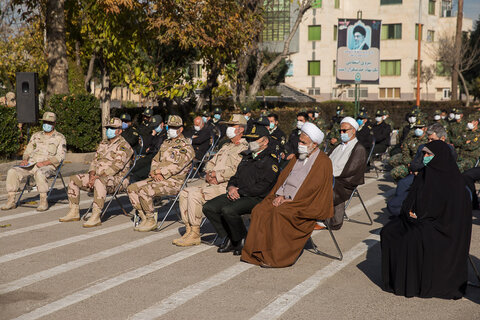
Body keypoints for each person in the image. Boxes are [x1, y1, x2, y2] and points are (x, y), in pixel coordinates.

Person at [381, 140, 472, 299]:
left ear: (440, 156)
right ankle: (398, 281)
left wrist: (421, 217)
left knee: (412, 238)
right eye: (424, 153)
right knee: (389, 231)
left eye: (429, 154)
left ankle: (413, 284)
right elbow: (410, 199)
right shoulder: (424, 174)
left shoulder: (455, 182)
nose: (425, 157)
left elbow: (451, 216)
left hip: (443, 229)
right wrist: (410, 212)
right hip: (420, 220)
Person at [241, 123, 333, 268]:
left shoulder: (323, 162)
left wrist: (288, 199)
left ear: (314, 144)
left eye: (303, 142)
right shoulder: (297, 157)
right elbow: (283, 179)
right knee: (260, 210)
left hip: (303, 202)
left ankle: (276, 257)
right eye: (299, 141)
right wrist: (280, 195)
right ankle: (256, 252)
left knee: (279, 213)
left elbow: (312, 189)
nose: (299, 145)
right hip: (283, 196)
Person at [202, 124, 279, 255]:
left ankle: (242, 239)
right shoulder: (247, 156)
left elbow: (264, 186)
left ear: (265, 141)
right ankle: (232, 237)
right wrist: (231, 187)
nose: (250, 143)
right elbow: (235, 176)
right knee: (209, 207)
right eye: (248, 140)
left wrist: (240, 191)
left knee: (228, 210)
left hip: (256, 197)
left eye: (254, 140)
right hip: (238, 193)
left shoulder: (270, 160)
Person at [173, 114, 249, 247]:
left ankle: (196, 233)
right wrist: (209, 173)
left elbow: (237, 170)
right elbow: (210, 162)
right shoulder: (226, 146)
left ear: (240, 129)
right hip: (211, 182)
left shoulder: (244, 148)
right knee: (185, 192)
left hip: (226, 185)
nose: (228, 128)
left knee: (195, 195)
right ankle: (190, 229)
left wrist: (217, 175)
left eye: (232, 126)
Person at [59, 117, 133, 226]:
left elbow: (116, 167)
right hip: (97, 177)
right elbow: (94, 161)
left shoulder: (124, 146)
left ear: (119, 131)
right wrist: (92, 175)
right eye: (108, 128)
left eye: (112, 128)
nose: (109, 130)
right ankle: (74, 212)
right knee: (74, 179)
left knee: (100, 181)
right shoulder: (103, 143)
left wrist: (98, 177)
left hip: (117, 180)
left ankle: (96, 215)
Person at [127, 115, 194, 232]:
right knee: (131, 188)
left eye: (174, 127)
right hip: (157, 178)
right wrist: (153, 172)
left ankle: (151, 219)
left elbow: (177, 166)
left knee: (144, 190)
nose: (171, 129)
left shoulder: (186, 147)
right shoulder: (166, 143)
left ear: (181, 129)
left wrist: (160, 172)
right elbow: (156, 159)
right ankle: (144, 217)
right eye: (170, 126)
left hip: (173, 182)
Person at [2, 112, 66, 211]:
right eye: (45, 122)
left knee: (40, 173)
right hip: (31, 164)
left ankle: (43, 200)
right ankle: (11, 200)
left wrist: (45, 163)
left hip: (49, 166)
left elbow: (60, 157)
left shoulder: (60, 137)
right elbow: (28, 151)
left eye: (49, 122)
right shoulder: (36, 135)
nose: (47, 124)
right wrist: (24, 160)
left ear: (54, 124)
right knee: (12, 171)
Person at [387, 123, 456, 216]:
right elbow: (414, 165)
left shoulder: (448, 149)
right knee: (403, 184)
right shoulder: (423, 147)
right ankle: (404, 211)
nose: (430, 141)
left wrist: (424, 167)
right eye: (428, 139)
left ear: (442, 139)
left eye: (433, 139)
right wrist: (422, 167)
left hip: (438, 179)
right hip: (420, 175)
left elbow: (448, 166)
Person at [326, 117, 367, 230]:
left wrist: (328, 175)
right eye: (340, 131)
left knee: (320, 191)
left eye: (344, 130)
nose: (342, 133)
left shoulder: (359, 149)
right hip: (330, 178)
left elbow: (350, 170)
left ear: (353, 131)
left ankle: (330, 221)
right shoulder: (338, 146)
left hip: (345, 183)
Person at [130, 115, 167, 181]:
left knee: (138, 174)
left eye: (156, 125)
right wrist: (152, 135)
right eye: (154, 126)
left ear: (162, 124)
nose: (155, 127)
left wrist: (151, 149)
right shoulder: (155, 134)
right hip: (149, 156)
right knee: (134, 166)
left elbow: (158, 149)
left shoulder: (165, 135)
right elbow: (146, 146)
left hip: (156, 159)